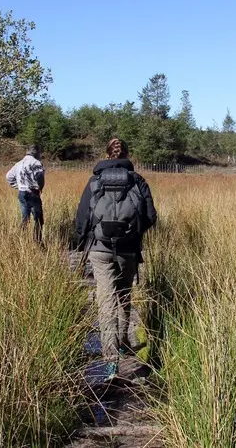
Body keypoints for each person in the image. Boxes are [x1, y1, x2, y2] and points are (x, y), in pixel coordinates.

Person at [74, 138, 157, 381]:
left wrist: (82, 244)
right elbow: (151, 216)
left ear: (107, 155)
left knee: (106, 300)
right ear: (127, 155)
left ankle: (111, 359)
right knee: (123, 297)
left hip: (99, 250)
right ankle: (121, 344)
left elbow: (82, 218)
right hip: (128, 249)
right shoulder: (137, 180)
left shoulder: (95, 180)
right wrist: (134, 232)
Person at [6, 145, 45, 243]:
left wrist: (18, 186)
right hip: (33, 193)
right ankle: (37, 242)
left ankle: (21, 241)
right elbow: (40, 176)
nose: (40, 154)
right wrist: (40, 187)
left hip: (22, 193)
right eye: (39, 152)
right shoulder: (36, 163)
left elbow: (9, 177)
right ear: (36, 152)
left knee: (25, 219)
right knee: (38, 219)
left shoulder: (19, 164)